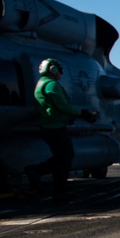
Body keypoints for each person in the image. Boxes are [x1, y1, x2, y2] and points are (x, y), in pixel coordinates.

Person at [25, 58, 98, 202]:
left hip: (49, 126)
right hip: (55, 127)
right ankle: (54, 187)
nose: (61, 73)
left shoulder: (42, 83)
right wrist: (82, 113)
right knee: (65, 158)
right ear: (52, 69)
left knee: (62, 158)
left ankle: (41, 175)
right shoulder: (51, 85)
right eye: (59, 70)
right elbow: (63, 106)